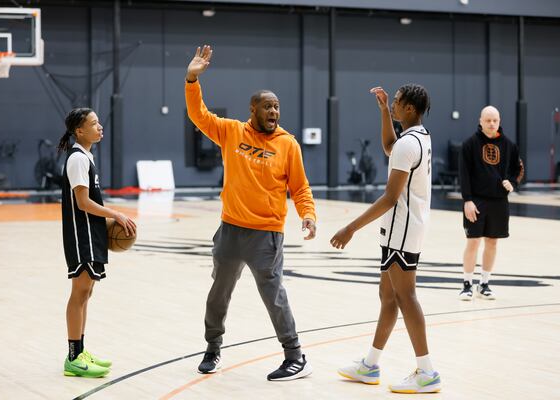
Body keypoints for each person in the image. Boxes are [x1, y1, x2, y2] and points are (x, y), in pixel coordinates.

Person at [185, 45, 317, 381]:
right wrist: (191, 80)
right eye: (267, 106)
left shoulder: (288, 144)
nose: (274, 111)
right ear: (253, 110)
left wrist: (308, 214)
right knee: (218, 294)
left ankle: (295, 356)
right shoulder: (231, 132)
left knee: (273, 297)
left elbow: (300, 187)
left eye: (277, 107)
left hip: (266, 235)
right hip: (230, 230)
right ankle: (213, 349)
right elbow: (199, 115)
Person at [330, 84, 441, 394]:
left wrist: (350, 227)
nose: (392, 104)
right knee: (388, 296)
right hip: (402, 228)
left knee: (406, 297)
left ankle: (427, 371)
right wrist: (382, 113)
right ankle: (370, 364)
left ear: (410, 109)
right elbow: (390, 146)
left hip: (403, 228)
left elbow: (391, 197)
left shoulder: (410, 144)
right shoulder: (417, 137)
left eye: (395, 102)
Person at [58, 108, 137, 378]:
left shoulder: (86, 157)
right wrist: (115, 214)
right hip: (81, 235)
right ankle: (73, 357)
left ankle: (80, 351)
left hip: (90, 234)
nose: (100, 126)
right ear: (79, 131)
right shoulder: (78, 159)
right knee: (79, 293)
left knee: (86, 293)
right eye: (94, 123)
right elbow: (82, 203)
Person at [458, 106, 523, 300]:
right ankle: (467, 284)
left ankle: (484, 284)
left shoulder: (510, 145)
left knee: (492, 243)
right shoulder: (470, 144)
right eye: (488, 120)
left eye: (495, 120)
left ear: (500, 121)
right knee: (473, 242)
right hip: (476, 200)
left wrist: (512, 182)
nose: (492, 123)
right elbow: (464, 174)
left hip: (499, 201)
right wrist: (467, 200)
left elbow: (518, 169)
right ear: (480, 121)